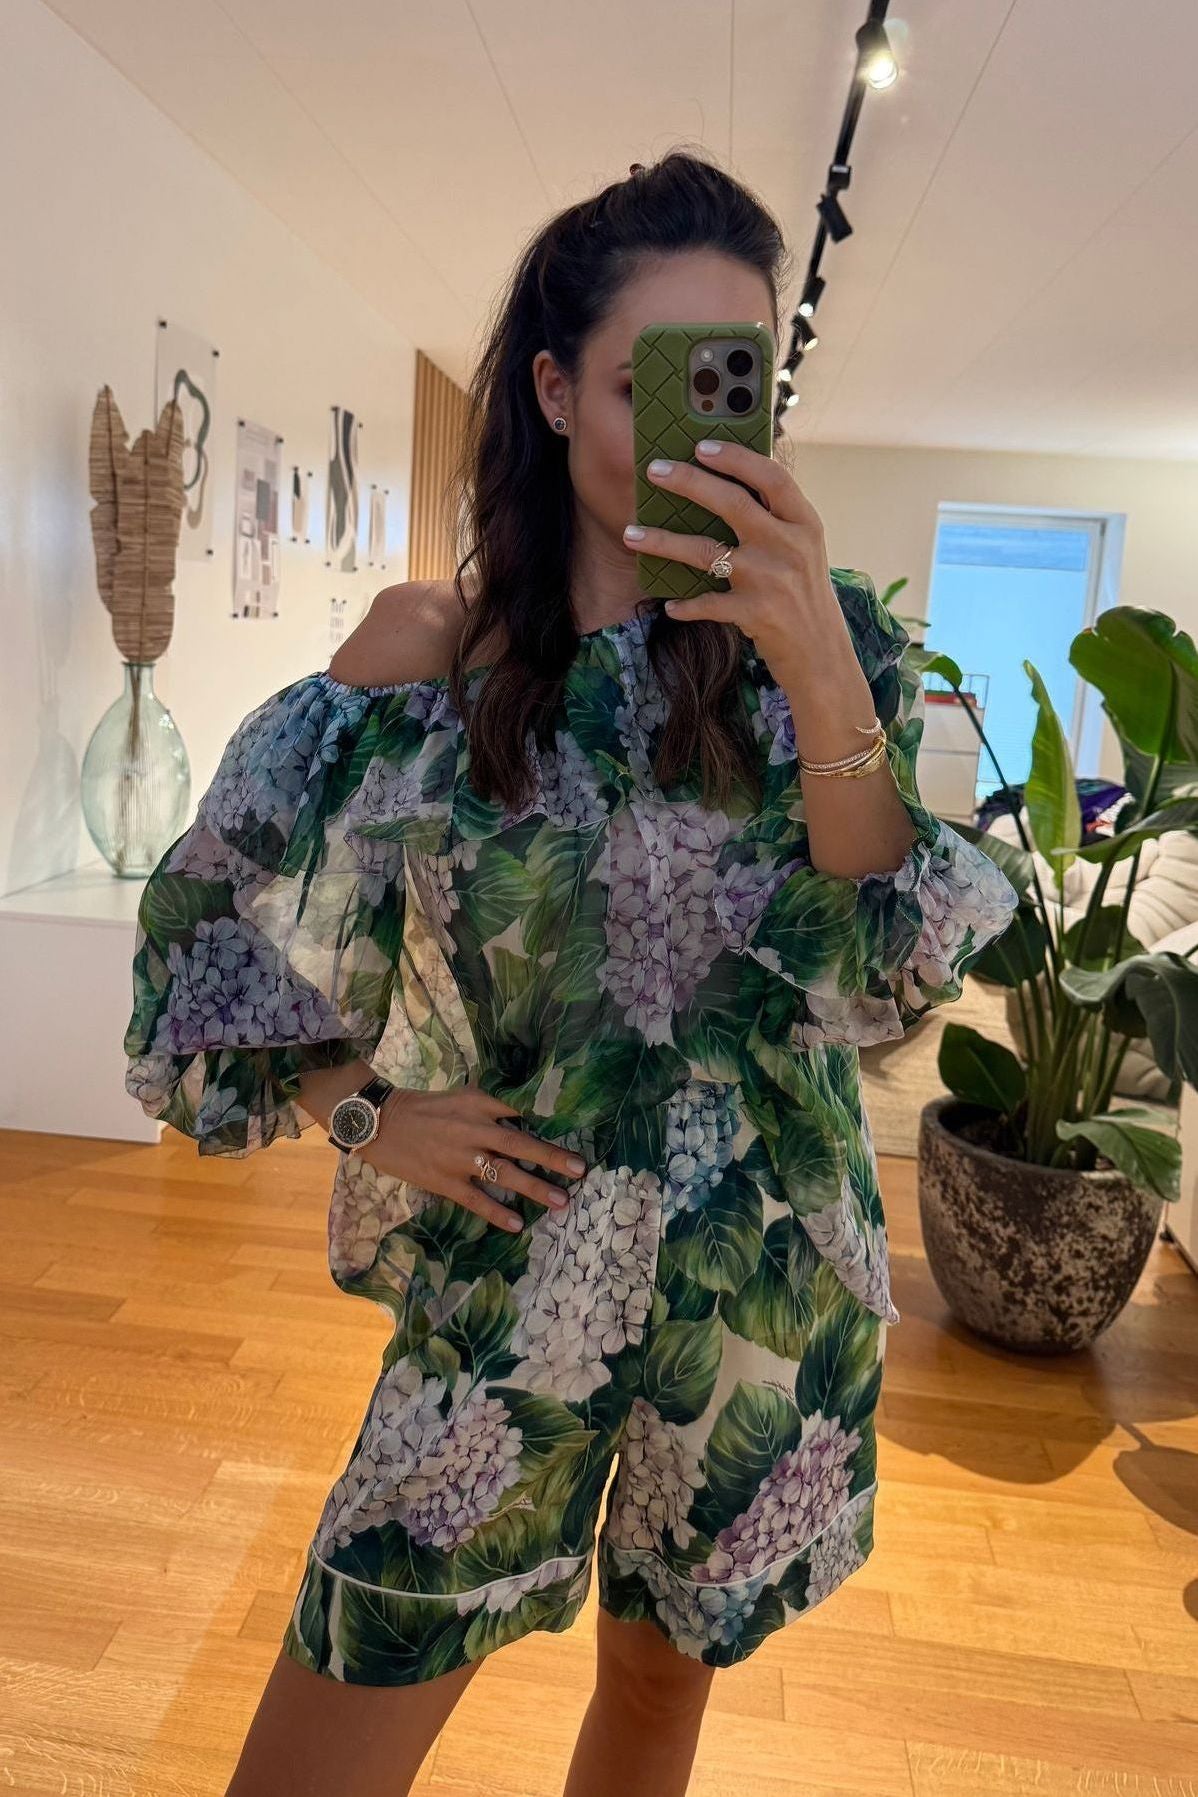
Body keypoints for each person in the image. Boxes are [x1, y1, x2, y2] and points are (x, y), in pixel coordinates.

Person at [123, 149, 1018, 1797]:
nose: (699, 433)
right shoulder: (429, 655)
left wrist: (818, 660)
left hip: (765, 1285)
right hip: (511, 1271)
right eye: (644, 384)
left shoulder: (827, 650)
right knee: (346, 1685)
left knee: (658, 1696)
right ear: (549, 390)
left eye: (735, 383)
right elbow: (206, 921)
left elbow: (886, 972)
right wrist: (358, 1107)